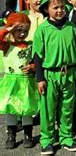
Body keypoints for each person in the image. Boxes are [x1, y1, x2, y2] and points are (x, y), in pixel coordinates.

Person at [33, 0, 76, 154]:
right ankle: (47, 139)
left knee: (67, 108)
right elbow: (38, 56)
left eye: (62, 6)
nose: (60, 10)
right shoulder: (42, 30)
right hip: (50, 75)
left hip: (68, 73)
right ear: (47, 9)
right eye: (55, 7)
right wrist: (40, 78)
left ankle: (66, 137)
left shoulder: (71, 27)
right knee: (48, 110)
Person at [0, 12, 39, 150]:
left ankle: (28, 135)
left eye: (25, 31)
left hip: (26, 81)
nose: (22, 34)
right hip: (11, 82)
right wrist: (7, 30)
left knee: (26, 109)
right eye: (18, 30)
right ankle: (11, 135)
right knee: (11, 109)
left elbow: (36, 60)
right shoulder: (6, 45)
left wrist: (33, 67)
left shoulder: (30, 45)